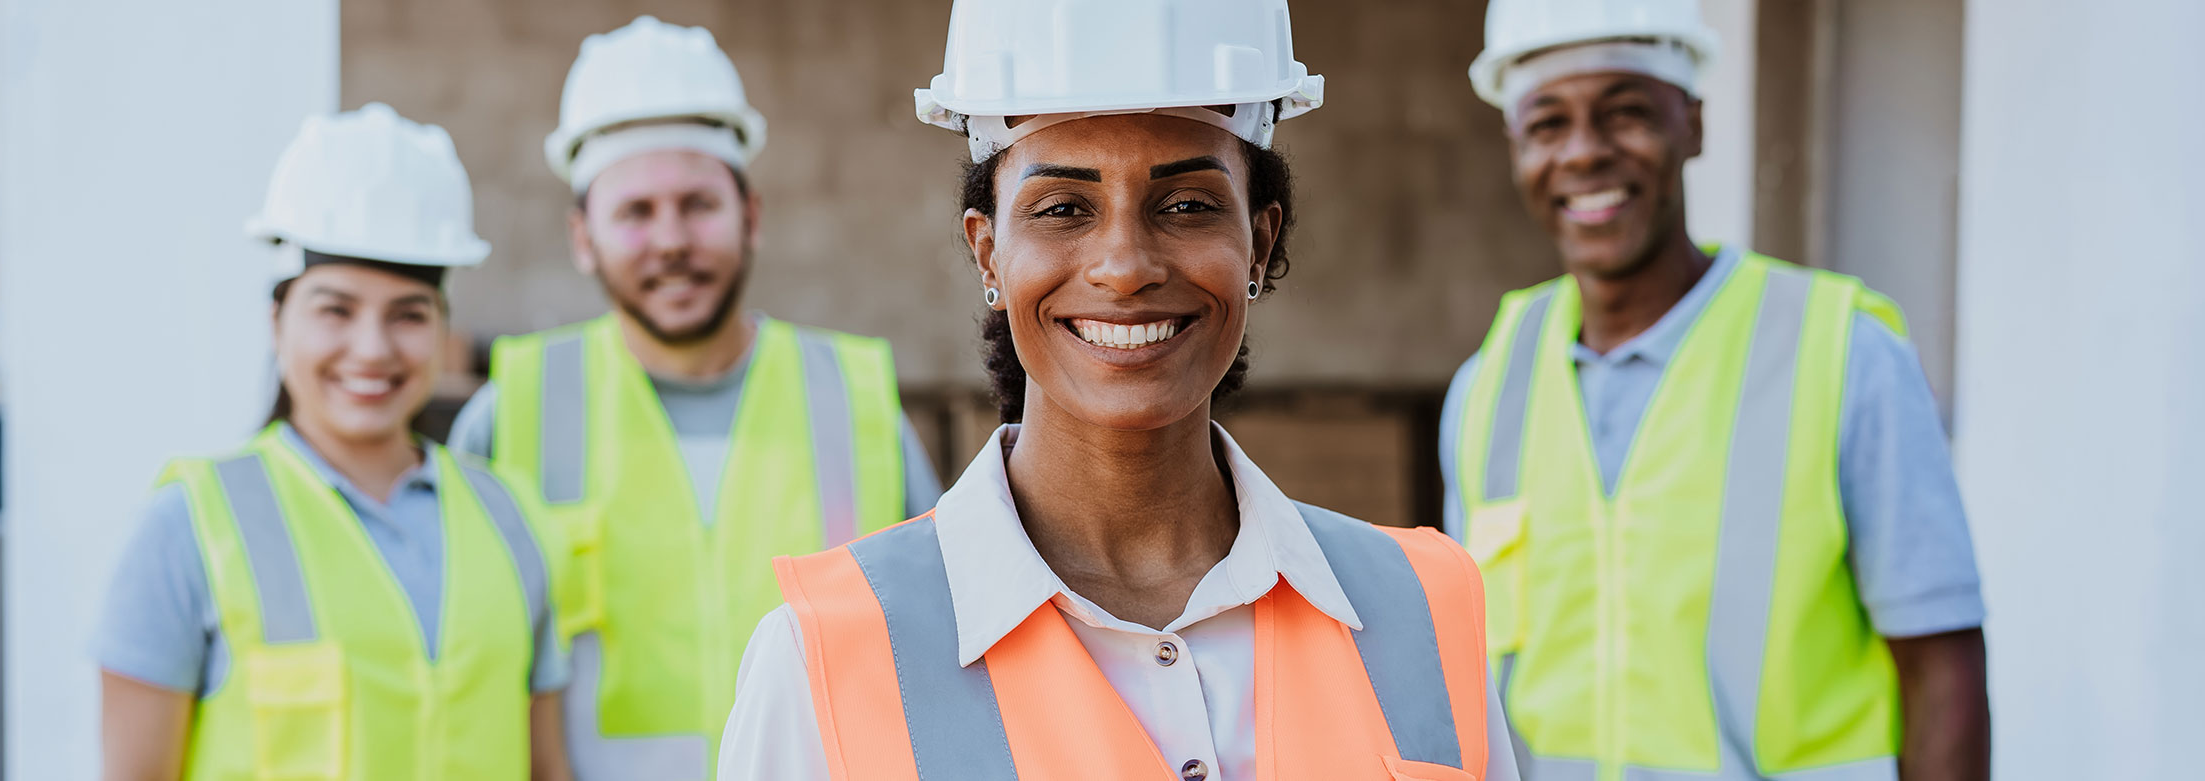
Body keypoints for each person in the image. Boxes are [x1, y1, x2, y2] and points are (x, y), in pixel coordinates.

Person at [719, 2, 1518, 779]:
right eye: (1063, 208)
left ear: (1259, 239)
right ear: (988, 254)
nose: (1125, 264)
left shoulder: (1422, 611)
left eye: (1187, 205)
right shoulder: (825, 653)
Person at [1440, 1, 1993, 779]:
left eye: (1625, 112)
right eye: (1546, 123)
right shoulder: (1486, 386)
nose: (1584, 152)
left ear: (1690, 124)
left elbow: (1941, 666)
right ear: (1514, 148)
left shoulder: (1842, 351)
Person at [444, 17, 942, 779]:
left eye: (697, 204)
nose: (671, 239)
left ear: (751, 216)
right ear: (583, 237)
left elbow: (935, 645)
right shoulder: (510, 413)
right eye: (635, 212)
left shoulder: (857, 401)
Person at [97, 104, 572, 780]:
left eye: (408, 314)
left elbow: (546, 768)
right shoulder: (189, 525)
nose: (372, 348)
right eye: (335, 310)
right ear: (277, 321)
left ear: (443, 332)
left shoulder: (511, 518)